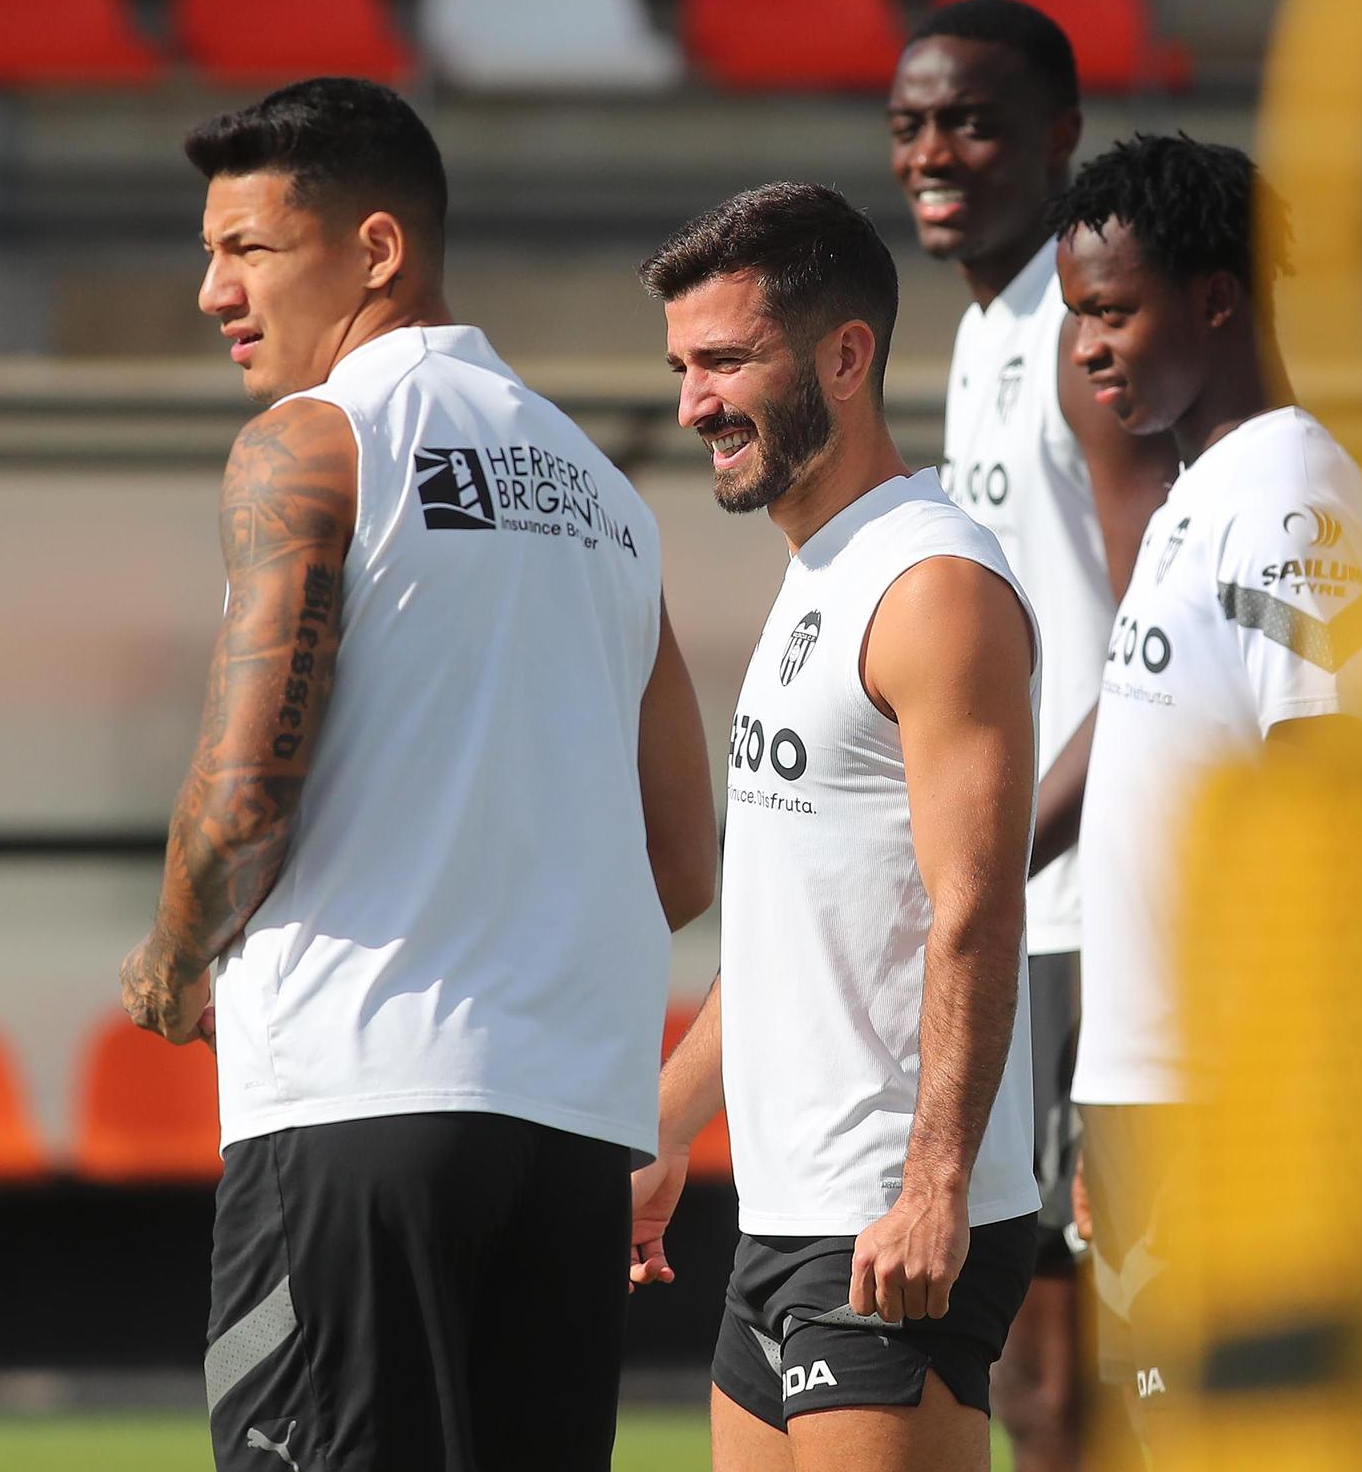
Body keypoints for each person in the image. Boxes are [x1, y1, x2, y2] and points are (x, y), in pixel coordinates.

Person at [117, 76, 718, 1472]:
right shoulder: (607, 494)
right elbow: (683, 861)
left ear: (377, 249)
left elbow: (245, 793)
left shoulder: (313, 443)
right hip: (571, 1137)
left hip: (354, 1106)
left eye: (248, 249)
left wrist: (170, 958)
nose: (212, 290)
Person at [631, 182, 1042, 1472]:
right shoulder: (821, 573)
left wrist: (933, 1192)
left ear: (846, 357)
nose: (697, 401)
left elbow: (977, 906)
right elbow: (786, 935)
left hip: (887, 1222)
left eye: (727, 360)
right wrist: (665, 1127)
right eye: (684, 367)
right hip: (782, 1215)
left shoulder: (932, 586)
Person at [1053, 133, 1362, 1463]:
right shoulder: (1203, 495)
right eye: (1078, 314)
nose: (1088, 346)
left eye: (1113, 309)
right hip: (1153, 1093)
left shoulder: (1297, 499)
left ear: (1214, 298)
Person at [888, 0, 1180, 1469]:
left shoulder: (1082, 331)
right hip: (1018, 905)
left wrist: (994, 864)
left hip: (1076, 913)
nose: (933, 151)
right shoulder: (980, 330)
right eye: (911, 125)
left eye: (973, 119)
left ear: (1061, 136)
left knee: (1088, 1362)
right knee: (1022, 1346)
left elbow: (1153, 642)